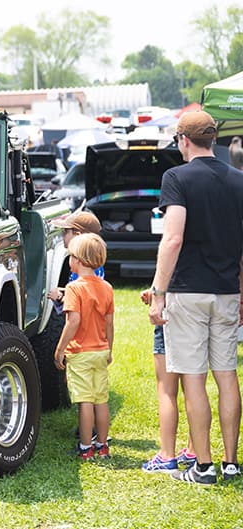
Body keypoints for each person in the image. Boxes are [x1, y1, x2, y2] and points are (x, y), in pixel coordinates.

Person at [149, 110, 242, 485]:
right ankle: (232, 462)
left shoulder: (176, 177)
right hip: (227, 291)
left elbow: (172, 238)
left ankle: (202, 467)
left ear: (183, 140)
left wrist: (158, 292)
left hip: (188, 292)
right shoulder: (239, 180)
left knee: (193, 378)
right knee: (227, 375)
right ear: (214, 140)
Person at [53, 233, 114, 461]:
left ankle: (85, 447)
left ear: (77, 260)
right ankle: (103, 446)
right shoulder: (106, 287)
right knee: (101, 399)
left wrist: (60, 350)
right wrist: (110, 348)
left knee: (85, 400)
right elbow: (109, 322)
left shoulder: (73, 288)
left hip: (80, 352)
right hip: (100, 351)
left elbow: (73, 321)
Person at [140, 288, 195, 473]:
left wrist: (157, 293)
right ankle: (194, 451)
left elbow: (171, 273)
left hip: (171, 310)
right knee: (194, 389)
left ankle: (167, 456)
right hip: (200, 309)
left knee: (166, 391)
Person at [47, 210, 104, 313]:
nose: (62, 236)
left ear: (77, 235)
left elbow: (82, 304)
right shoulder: (92, 264)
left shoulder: (83, 266)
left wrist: (59, 298)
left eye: (65, 232)